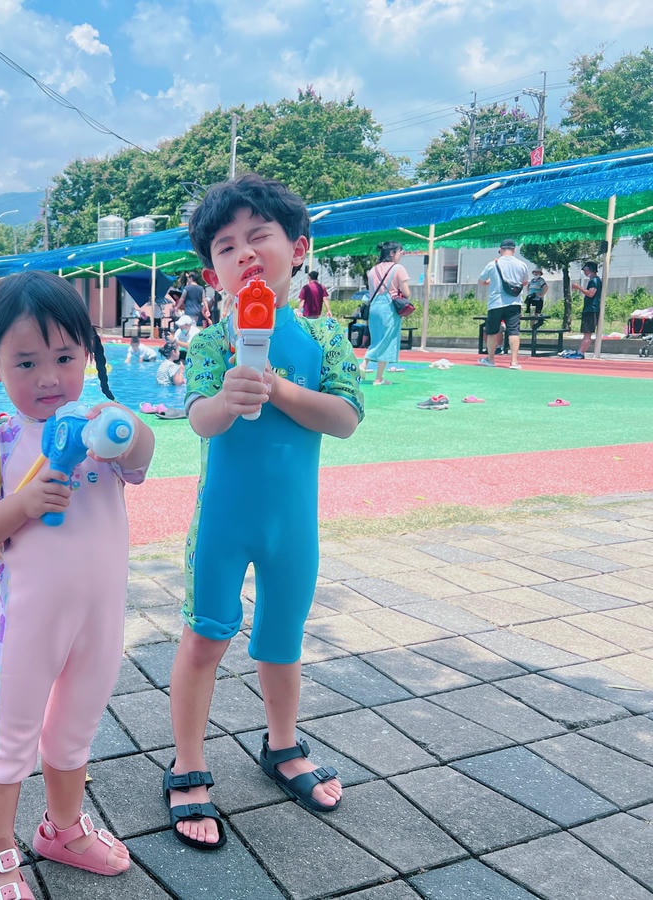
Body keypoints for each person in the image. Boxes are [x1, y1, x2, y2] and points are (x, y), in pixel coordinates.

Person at [166, 174, 363, 850]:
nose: (244, 253)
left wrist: (278, 387)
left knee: (282, 638)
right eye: (226, 246)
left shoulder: (326, 338)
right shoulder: (210, 343)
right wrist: (232, 396)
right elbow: (200, 420)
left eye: (259, 237)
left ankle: (282, 745)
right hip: (221, 523)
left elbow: (343, 419)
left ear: (298, 246)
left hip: (292, 528)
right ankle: (188, 760)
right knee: (204, 639)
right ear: (209, 271)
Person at [0, 270, 154, 900]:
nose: (47, 378)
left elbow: (144, 458)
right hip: (30, 627)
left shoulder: (101, 436)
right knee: (11, 735)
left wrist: (126, 423)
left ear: (88, 355)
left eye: (65, 358)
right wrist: (25, 502)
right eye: (27, 362)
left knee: (74, 730)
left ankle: (61, 829)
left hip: (101, 618)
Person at [363, 241, 411, 384]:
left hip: (374, 307)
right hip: (389, 308)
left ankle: (379, 377)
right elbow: (406, 292)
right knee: (387, 340)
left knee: (377, 338)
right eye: (399, 251)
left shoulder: (373, 270)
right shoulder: (398, 268)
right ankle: (364, 365)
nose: (401, 254)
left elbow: (371, 293)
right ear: (392, 253)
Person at [477, 238, 528, 370]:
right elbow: (524, 282)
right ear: (514, 250)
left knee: (492, 331)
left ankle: (491, 359)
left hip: (496, 303)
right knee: (514, 332)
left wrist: (490, 282)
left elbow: (481, 281)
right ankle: (514, 362)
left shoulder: (493, 264)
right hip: (514, 303)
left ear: (500, 250)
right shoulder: (521, 264)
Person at [569, 260, 603, 358]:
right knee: (586, 332)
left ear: (590, 270)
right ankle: (580, 352)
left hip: (591, 309)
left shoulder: (594, 281)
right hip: (590, 309)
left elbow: (591, 293)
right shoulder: (594, 280)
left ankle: (581, 352)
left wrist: (578, 287)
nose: (584, 272)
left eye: (585, 269)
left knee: (587, 333)